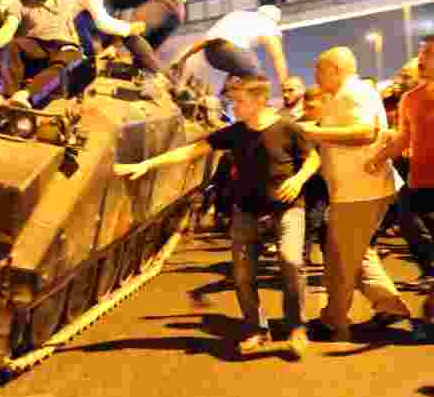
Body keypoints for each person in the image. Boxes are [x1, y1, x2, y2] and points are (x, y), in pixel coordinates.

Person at [115, 75, 319, 358]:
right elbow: (191, 151)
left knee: (291, 260)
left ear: (260, 101)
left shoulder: (288, 128)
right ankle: (255, 329)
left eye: (240, 101)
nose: (234, 106)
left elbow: (312, 158)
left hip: (287, 207)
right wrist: (148, 164)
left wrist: (299, 179)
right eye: (233, 101)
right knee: (242, 273)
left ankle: (296, 326)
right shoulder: (235, 133)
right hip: (246, 209)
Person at [299, 47, 411, 342]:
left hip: (360, 191)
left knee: (338, 257)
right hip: (358, 190)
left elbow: (364, 132)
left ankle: (332, 321)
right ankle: (391, 307)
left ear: (335, 70)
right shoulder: (344, 96)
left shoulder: (354, 93)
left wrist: (313, 133)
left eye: (319, 70)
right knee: (356, 254)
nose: (315, 76)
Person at [0, 0, 143, 111]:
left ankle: (25, 97)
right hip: (36, 48)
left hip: (63, 49)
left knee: (69, 60)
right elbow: (9, 28)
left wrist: (85, 51)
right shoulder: (19, 4)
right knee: (13, 45)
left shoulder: (63, 1)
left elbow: (75, 28)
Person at [367, 36, 434, 327]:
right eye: (420, 53)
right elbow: (404, 138)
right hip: (418, 182)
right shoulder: (410, 99)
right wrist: (379, 157)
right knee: (407, 219)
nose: (421, 59)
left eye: (428, 54)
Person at [79, 0, 188, 77]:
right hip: (177, 13)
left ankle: (166, 78)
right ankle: (159, 79)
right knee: (141, 57)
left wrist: (114, 46)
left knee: (130, 35)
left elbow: (124, 29)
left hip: (167, 2)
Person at [171, 6, 290, 87]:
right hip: (230, 50)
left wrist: (183, 59)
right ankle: (255, 107)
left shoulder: (236, 15)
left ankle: (225, 98)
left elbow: (206, 40)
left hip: (210, 54)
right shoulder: (268, 24)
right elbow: (277, 56)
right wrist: (285, 84)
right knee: (258, 78)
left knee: (239, 71)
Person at [299, 86, 330, 267]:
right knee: (313, 218)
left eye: (312, 107)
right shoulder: (304, 125)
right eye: (306, 107)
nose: (307, 111)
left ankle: (327, 260)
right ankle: (304, 255)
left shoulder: (331, 125)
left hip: (331, 179)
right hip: (314, 179)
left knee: (321, 220)